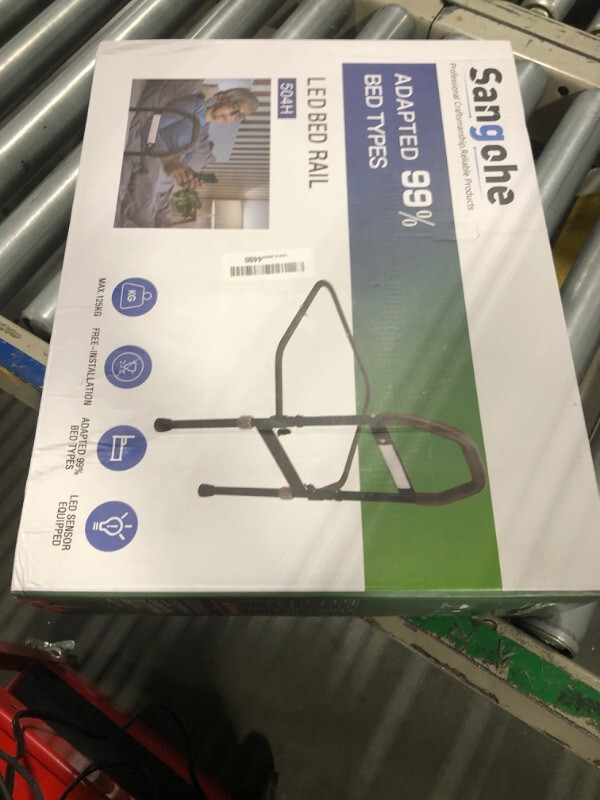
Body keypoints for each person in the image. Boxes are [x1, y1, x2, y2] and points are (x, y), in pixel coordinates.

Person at [115, 83, 259, 228]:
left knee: (164, 224)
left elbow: (183, 163)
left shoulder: (202, 136)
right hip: (153, 157)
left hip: (166, 180)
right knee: (143, 222)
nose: (232, 116)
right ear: (223, 97)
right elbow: (149, 127)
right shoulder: (194, 106)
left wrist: (186, 179)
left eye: (239, 116)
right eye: (234, 108)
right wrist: (168, 161)